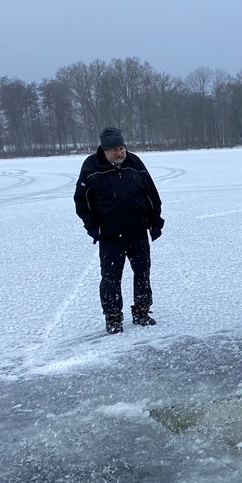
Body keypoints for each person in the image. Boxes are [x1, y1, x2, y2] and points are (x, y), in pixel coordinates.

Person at [74, 126, 164, 334]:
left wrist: (155, 222)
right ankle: (113, 317)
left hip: (138, 231)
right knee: (111, 277)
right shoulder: (91, 166)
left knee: (142, 273)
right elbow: (81, 201)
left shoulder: (135, 163)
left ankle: (142, 311)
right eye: (115, 149)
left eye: (122, 148)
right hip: (110, 235)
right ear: (105, 150)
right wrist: (93, 227)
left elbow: (151, 194)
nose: (120, 152)